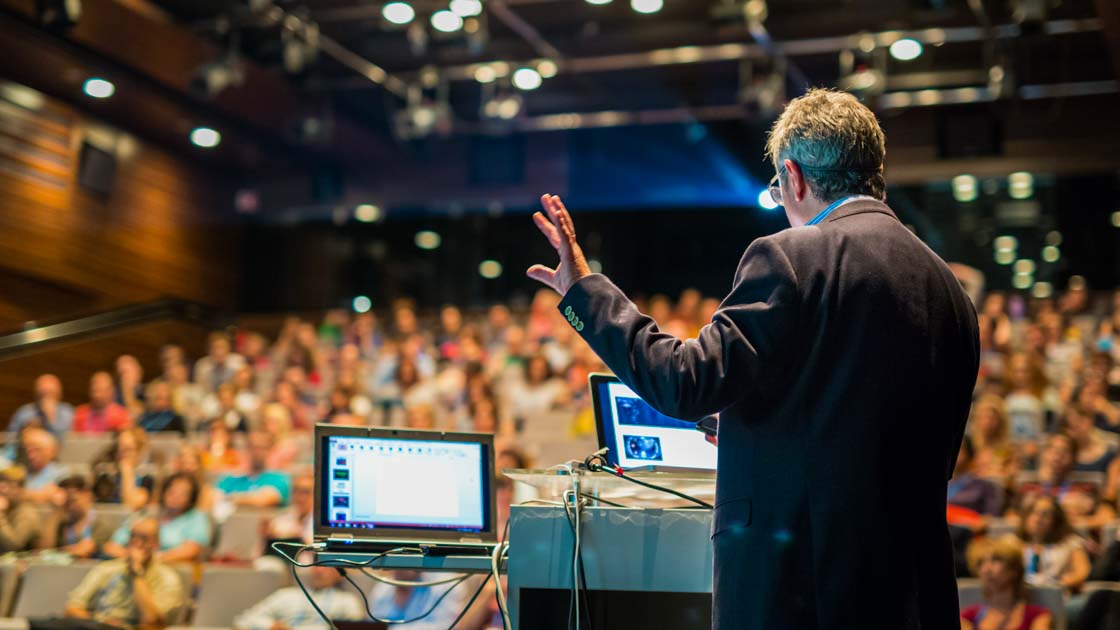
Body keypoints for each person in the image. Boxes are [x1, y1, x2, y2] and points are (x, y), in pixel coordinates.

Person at [525, 88, 980, 628]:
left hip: (799, 589)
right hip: (913, 594)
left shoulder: (793, 254)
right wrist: (754, 424)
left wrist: (585, 290)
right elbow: (871, 427)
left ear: (793, 176)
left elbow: (683, 382)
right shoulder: (949, 288)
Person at [62, 517, 185, 628]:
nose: (136, 543)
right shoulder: (106, 569)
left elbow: (153, 621)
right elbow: (72, 608)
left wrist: (136, 573)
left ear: (156, 543)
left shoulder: (167, 577)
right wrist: (98, 622)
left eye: (144, 538)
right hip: (96, 626)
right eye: (133, 536)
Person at [104, 472, 211, 563]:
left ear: (191, 499)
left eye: (183, 493)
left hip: (172, 572)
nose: (175, 496)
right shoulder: (146, 514)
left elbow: (191, 551)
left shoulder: (196, 518)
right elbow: (112, 546)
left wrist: (153, 559)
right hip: (131, 566)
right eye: (172, 491)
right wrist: (132, 557)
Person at [233, 560, 364, 630]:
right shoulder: (286, 595)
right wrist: (270, 626)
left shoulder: (347, 601)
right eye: (316, 565)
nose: (319, 571)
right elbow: (244, 620)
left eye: (326, 566)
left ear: (340, 573)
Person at [960, 535, 1053, 630]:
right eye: (980, 563)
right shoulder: (968, 616)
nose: (986, 569)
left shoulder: (1037, 615)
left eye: (995, 560)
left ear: (1014, 570)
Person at [1015, 494, 1090, 591]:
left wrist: (1063, 583)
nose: (1038, 519)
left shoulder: (1070, 543)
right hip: (1021, 595)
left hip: (1056, 594)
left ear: (1056, 520)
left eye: (1045, 514)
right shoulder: (1013, 543)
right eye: (1034, 512)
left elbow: (1082, 572)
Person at [38, 474, 115, 557]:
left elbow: (83, 551)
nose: (70, 504)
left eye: (73, 499)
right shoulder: (62, 524)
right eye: (67, 500)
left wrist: (56, 552)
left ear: (87, 494)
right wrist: (57, 511)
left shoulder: (100, 524)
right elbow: (44, 549)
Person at [216, 432, 291, 508]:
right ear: (247, 449)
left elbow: (265, 499)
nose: (257, 452)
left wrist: (229, 498)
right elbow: (213, 498)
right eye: (253, 447)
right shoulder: (231, 479)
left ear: (270, 451)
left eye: (262, 448)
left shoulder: (279, 479)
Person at [8, 374, 74, 439]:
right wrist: (26, 431)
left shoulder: (67, 411)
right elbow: (10, 437)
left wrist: (50, 416)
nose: (46, 397)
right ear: (36, 392)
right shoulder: (25, 412)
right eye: (43, 392)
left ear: (59, 393)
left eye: (50, 392)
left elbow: (65, 438)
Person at [0, 465, 42, 552]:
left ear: (20, 489)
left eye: (9, 486)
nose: (3, 490)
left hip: (24, 564)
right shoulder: (8, 509)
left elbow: (12, 547)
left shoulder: (26, 512)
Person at [20, 427, 67, 503]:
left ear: (52, 451)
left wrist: (23, 493)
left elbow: (58, 498)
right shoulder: (21, 471)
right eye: (28, 450)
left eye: (37, 450)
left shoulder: (61, 474)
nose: (31, 456)